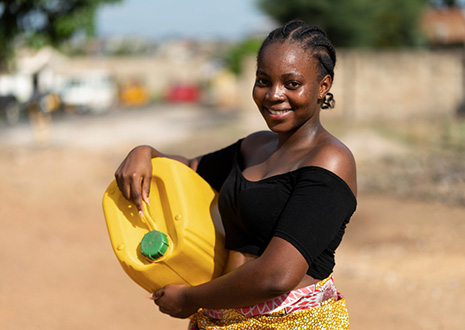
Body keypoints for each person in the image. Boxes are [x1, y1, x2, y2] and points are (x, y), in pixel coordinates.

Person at [115, 19, 357, 329]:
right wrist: (144, 153)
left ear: (323, 85)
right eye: (263, 80)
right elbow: (187, 171)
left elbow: (277, 276)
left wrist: (190, 298)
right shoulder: (254, 146)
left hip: (289, 323)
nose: (273, 94)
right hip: (219, 318)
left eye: (291, 84)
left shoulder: (331, 160)